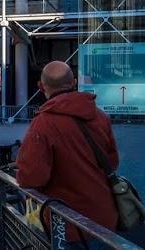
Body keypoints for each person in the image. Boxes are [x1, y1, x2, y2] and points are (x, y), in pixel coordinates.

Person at [16, 60, 121, 233]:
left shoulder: (43, 123)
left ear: (41, 86)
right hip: (104, 218)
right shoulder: (100, 117)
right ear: (74, 83)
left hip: (66, 225)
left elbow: (31, 177)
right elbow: (112, 162)